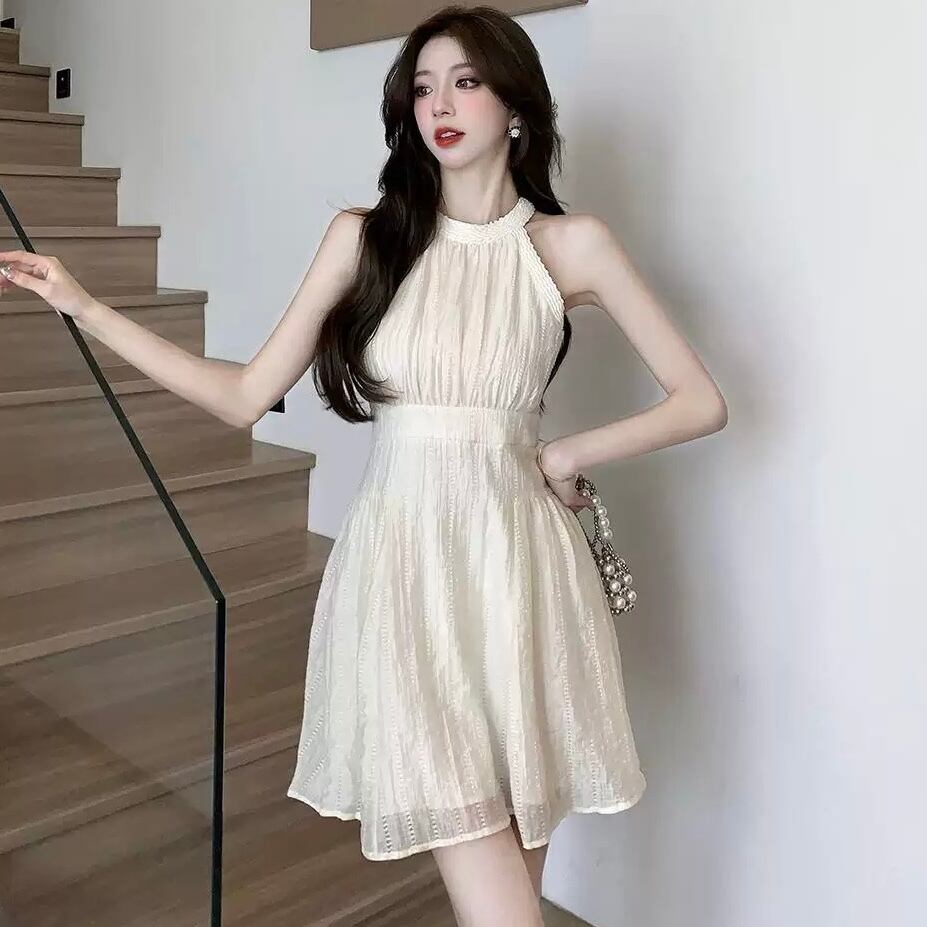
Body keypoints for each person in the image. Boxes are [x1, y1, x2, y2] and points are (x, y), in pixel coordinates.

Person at [0, 5, 727, 925]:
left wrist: (565, 450)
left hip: (523, 576)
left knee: (508, 889)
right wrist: (86, 306)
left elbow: (698, 400)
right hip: (404, 577)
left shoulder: (567, 245)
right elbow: (242, 394)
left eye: (466, 82)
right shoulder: (364, 237)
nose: (440, 105)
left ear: (516, 107)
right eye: (422, 88)